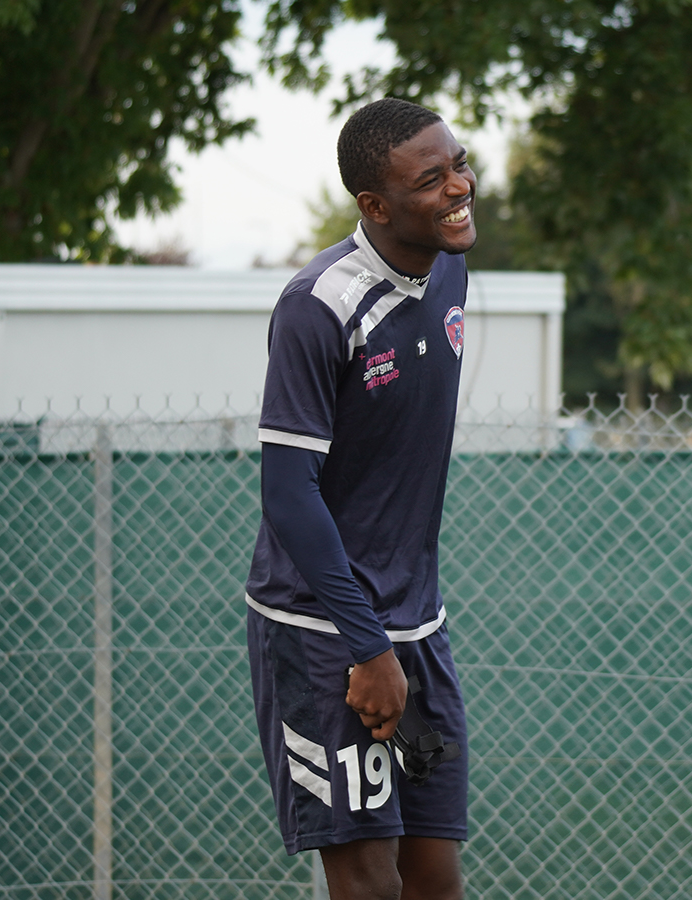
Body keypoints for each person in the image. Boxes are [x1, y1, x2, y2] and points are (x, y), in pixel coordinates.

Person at [245, 97, 477, 900]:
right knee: (368, 881)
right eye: (432, 179)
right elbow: (287, 493)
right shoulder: (319, 307)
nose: (460, 187)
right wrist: (368, 647)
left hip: (419, 627)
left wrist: (400, 639)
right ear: (374, 206)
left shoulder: (450, 272)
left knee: (436, 876)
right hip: (326, 635)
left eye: (458, 164)